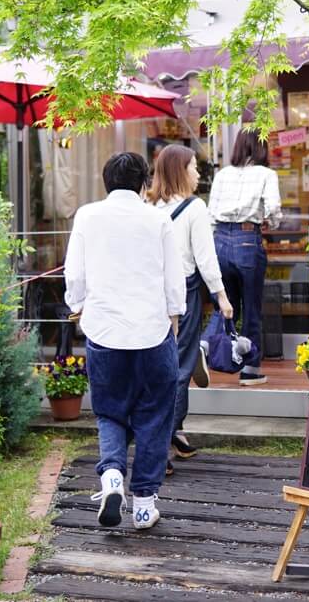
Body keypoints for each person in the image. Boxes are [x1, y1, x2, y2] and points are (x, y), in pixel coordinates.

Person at [64, 151, 185, 530]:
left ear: (105, 183)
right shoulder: (159, 218)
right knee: (155, 416)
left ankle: (112, 477)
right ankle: (145, 503)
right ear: (145, 183)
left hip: (104, 332)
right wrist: (175, 315)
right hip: (152, 332)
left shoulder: (87, 215)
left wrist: (78, 306)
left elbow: (74, 274)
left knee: (110, 412)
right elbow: (173, 277)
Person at [146, 144, 234, 472]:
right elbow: (206, 259)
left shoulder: (147, 203)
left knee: (155, 363)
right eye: (194, 167)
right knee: (179, 368)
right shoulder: (195, 208)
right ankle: (164, 442)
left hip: (149, 293)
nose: (198, 173)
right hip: (183, 292)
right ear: (179, 171)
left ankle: (174, 432)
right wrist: (222, 297)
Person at [207, 130, 282, 385]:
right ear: (261, 147)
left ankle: (206, 345)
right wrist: (273, 222)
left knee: (225, 304)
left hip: (219, 241)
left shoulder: (222, 175)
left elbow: (210, 215)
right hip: (248, 239)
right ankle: (250, 368)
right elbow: (273, 208)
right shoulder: (266, 175)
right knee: (251, 307)